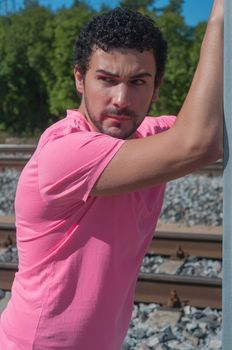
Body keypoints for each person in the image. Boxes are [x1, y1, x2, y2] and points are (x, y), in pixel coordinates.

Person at [0, 1, 223, 349]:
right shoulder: (63, 152)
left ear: (156, 87)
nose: (121, 98)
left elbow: (211, 127)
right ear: (79, 79)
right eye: (106, 79)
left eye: (138, 81)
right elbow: (199, 143)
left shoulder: (146, 135)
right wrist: (222, 18)